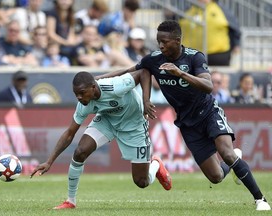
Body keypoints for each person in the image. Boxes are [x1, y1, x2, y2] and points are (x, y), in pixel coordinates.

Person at [97, 20, 271, 211]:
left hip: (208, 113)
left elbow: (208, 86)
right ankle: (234, 162)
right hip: (188, 124)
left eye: (164, 41)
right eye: (158, 41)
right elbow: (131, 70)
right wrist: (96, 79)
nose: (160, 45)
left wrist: (180, 73)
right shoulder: (154, 59)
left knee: (226, 153)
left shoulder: (194, 57)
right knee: (216, 176)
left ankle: (260, 200)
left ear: (177, 40)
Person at [30, 70, 172, 209]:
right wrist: (49, 161)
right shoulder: (84, 104)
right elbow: (69, 134)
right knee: (80, 152)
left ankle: (156, 165)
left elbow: (143, 73)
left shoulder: (115, 86)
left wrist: (146, 101)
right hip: (107, 121)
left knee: (141, 181)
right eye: (76, 94)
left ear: (93, 87)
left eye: (82, 93)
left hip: (134, 125)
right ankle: (70, 201)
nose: (79, 97)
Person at [179, 0, 241, 66]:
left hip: (217, 56)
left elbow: (235, 29)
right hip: (189, 55)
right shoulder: (187, 10)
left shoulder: (221, 10)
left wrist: (236, 44)